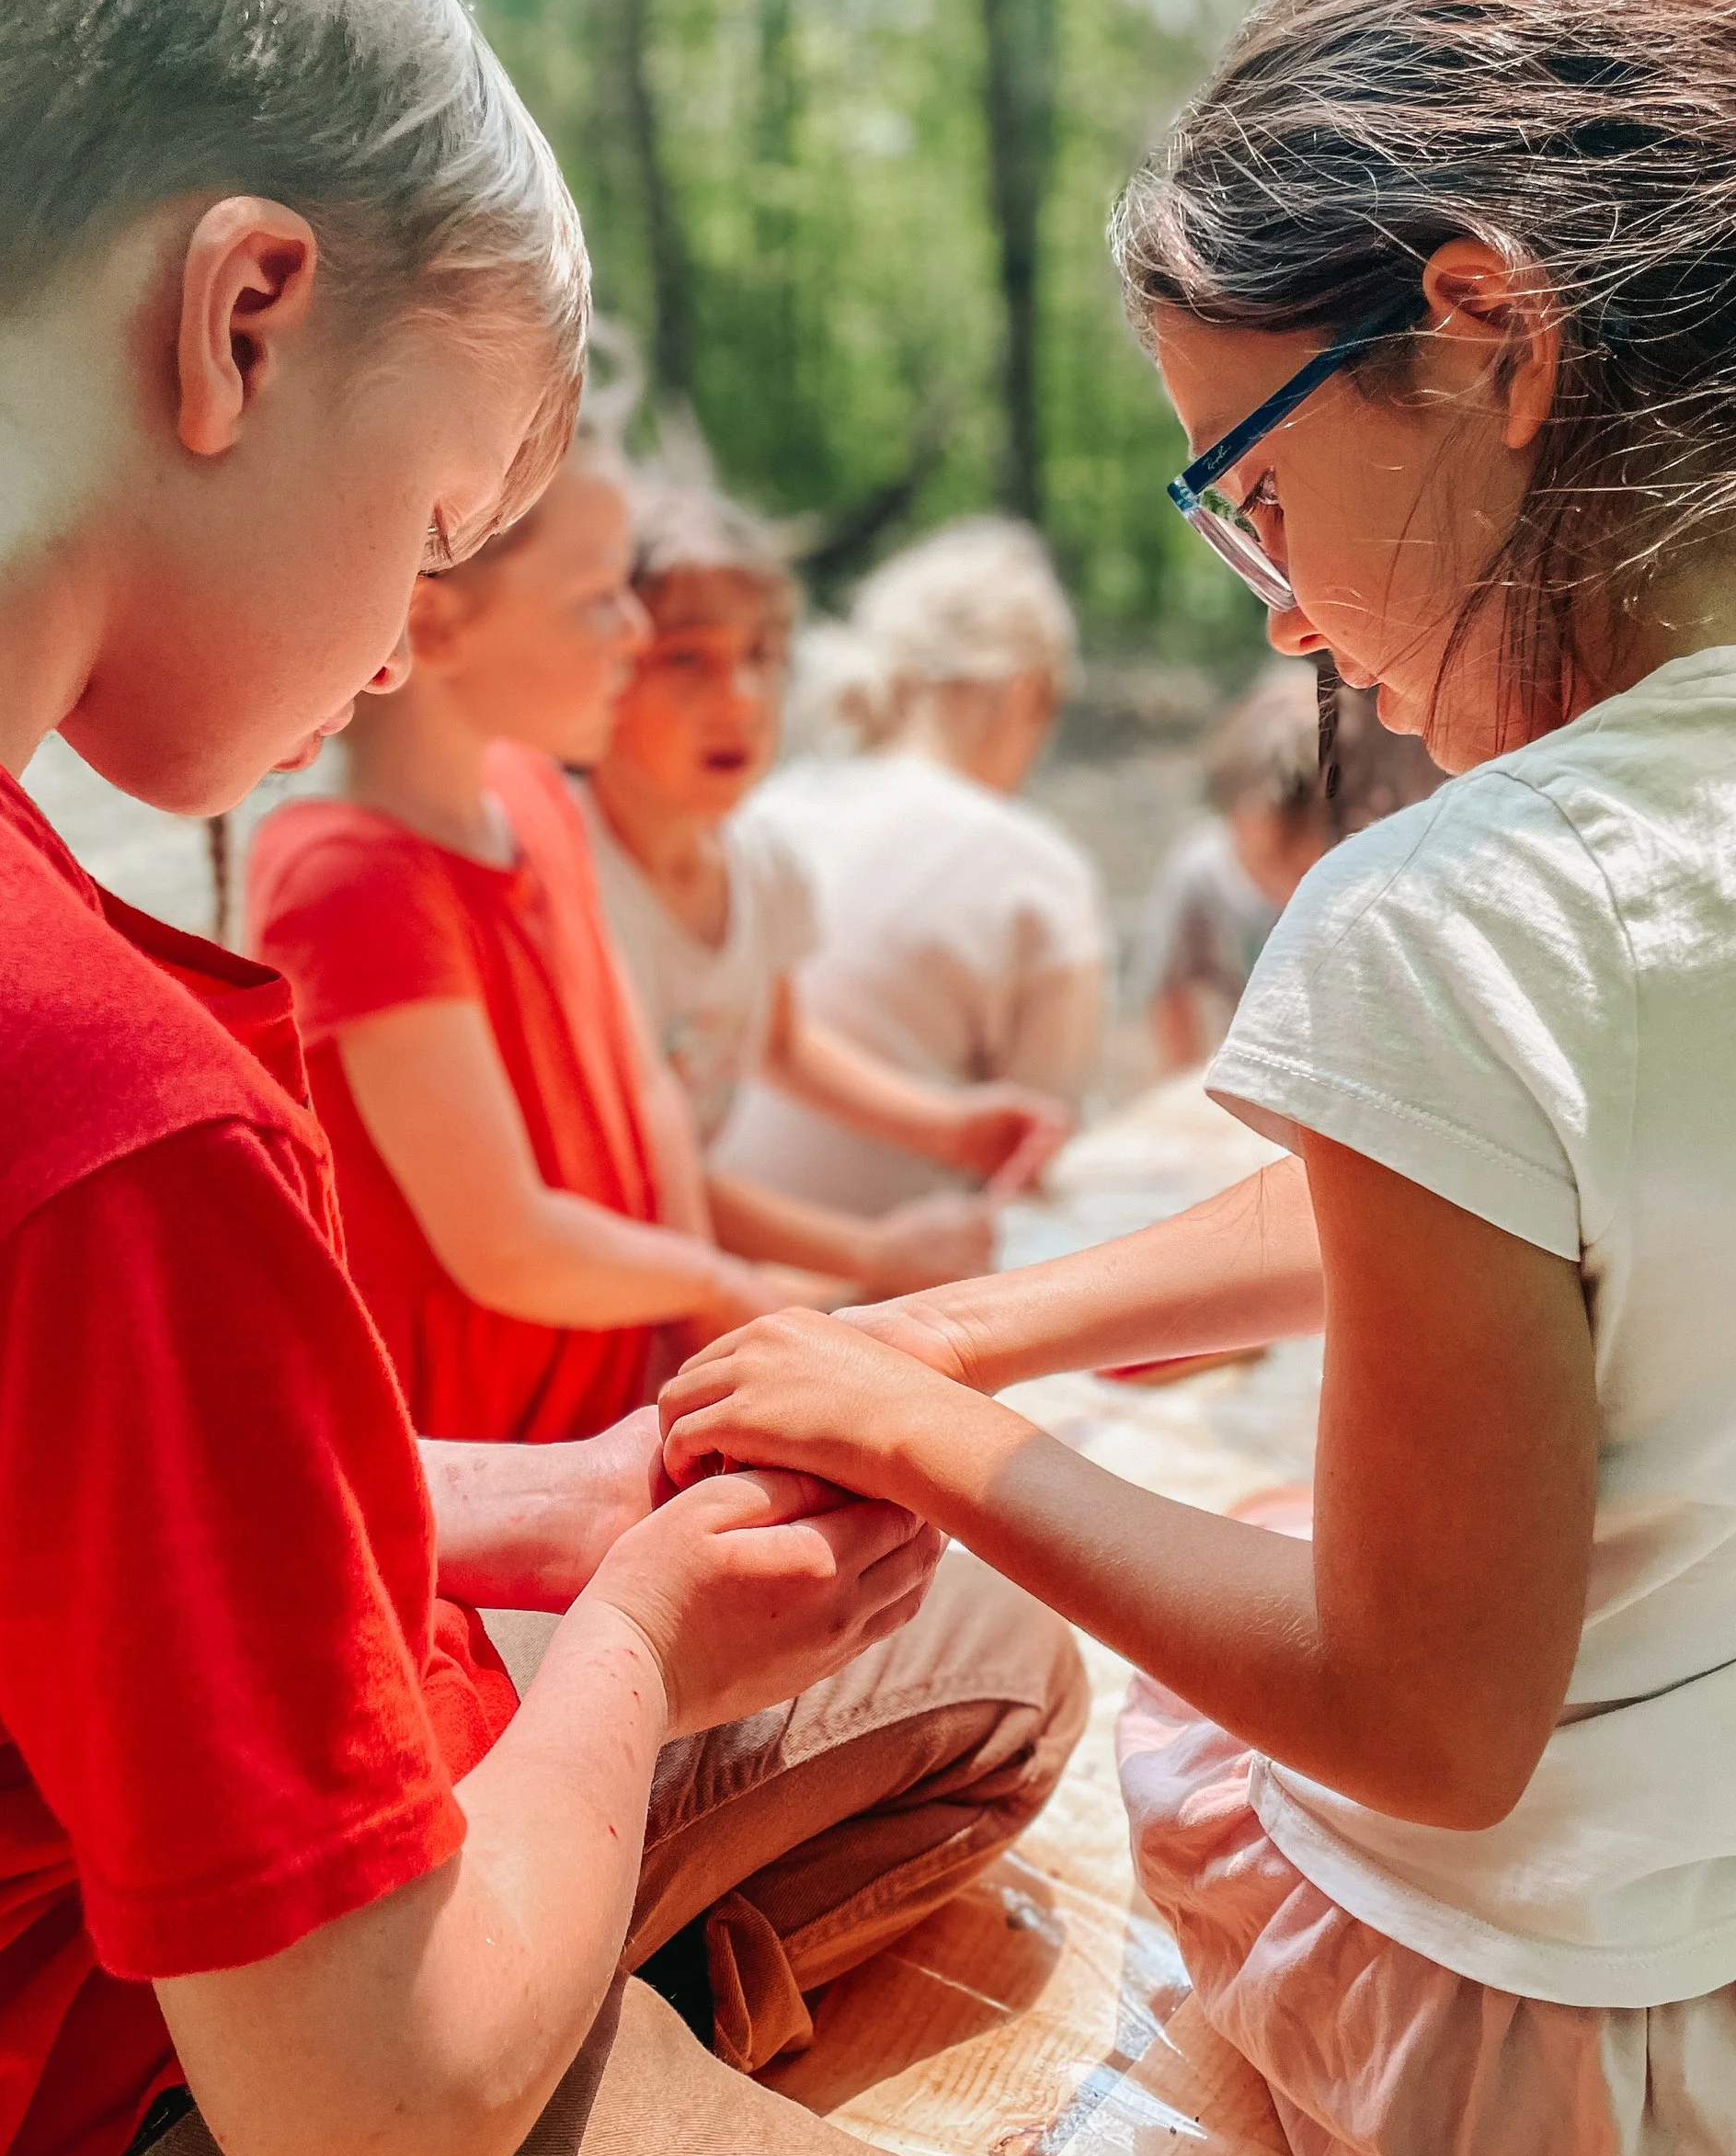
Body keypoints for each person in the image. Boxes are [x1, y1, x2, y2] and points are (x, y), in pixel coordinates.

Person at [0, 0, 1650, 2156]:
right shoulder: (64, 1081)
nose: (409, 626)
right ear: (243, 317)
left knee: (984, 1630)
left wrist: (559, 1498)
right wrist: (613, 1639)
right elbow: (358, 2115)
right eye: (453, 506)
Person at [658, 0, 1736, 2156]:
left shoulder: (1460, 910)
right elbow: (1548, 1198)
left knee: (1192, 1675)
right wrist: (997, 1312)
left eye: (1244, 484)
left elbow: (1415, 1712)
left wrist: (939, 1439)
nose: (1274, 608)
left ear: (1485, 334)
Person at [246, 443, 817, 1444]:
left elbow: (643, 1090)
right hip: (481, 1480)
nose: (635, 634)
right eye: (598, 597)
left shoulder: (535, 792)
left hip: (617, 1411)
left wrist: (696, 1337)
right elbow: (506, 1242)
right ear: (435, 624)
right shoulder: (351, 877)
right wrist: (721, 1286)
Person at [585, 479, 1070, 1302]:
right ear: (600, 664)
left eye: (761, 656)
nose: (739, 696)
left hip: (687, 1282)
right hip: (601, 1291)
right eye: (686, 657)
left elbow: (779, 1042)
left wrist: (947, 1125)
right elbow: (628, 1170)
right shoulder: (575, 876)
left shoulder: (761, 861)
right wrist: (869, 1254)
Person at [716, 516, 1109, 1214]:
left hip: (723, 1250)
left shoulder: (761, 811)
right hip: (896, 1294)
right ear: (1023, 692)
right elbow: (1036, 1152)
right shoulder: (1038, 873)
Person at [1134, 663, 1331, 1072]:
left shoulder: (1359, 883)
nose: (1281, 883)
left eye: (1294, 860)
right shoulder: (1202, 871)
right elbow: (1168, 998)